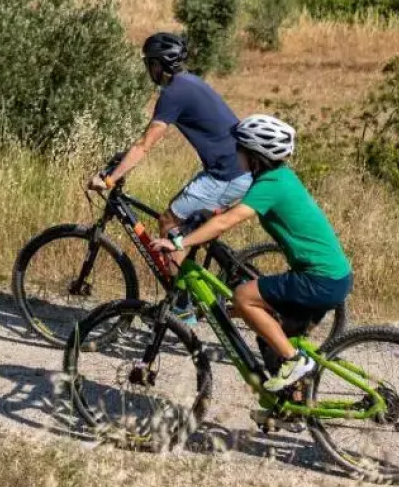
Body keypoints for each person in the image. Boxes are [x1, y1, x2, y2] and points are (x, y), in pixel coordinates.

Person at [150, 114, 352, 395]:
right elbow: (235, 209)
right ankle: (290, 405)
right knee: (269, 335)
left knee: (244, 296)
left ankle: (295, 362)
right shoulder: (277, 177)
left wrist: (180, 242)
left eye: (240, 149)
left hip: (319, 279)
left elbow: (229, 221)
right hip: (332, 276)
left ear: (256, 155)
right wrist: (213, 214)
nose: (236, 154)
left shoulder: (271, 184)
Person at [87, 32, 251, 245]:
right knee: (182, 227)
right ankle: (184, 271)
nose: (149, 70)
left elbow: (145, 144)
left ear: (158, 64)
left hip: (228, 173)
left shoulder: (174, 93)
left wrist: (110, 179)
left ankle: (176, 279)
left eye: (150, 64)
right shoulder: (189, 82)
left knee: (168, 223)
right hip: (236, 168)